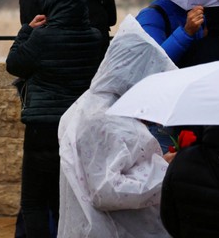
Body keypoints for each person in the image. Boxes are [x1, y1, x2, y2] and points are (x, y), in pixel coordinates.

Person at [58, 16, 178, 238]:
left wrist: (161, 164)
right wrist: (168, 174)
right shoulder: (103, 118)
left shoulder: (94, 104)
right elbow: (106, 190)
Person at [6, 0, 105, 238]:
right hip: (76, 128)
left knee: (34, 201)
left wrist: (27, 30)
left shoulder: (42, 39)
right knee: (66, 201)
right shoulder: (95, 39)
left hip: (42, 129)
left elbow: (14, 64)